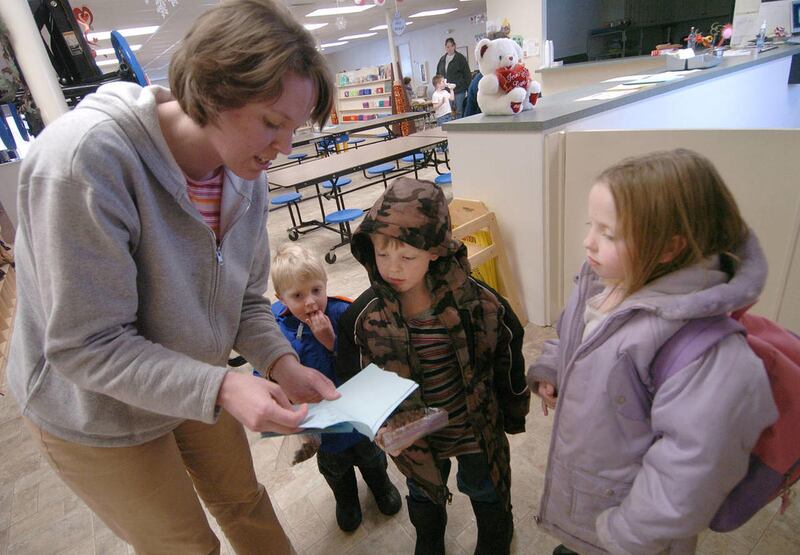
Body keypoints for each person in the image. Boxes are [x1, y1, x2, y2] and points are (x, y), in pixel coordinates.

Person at [7, 1, 340, 553]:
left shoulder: (244, 169)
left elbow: (245, 300)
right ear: (212, 93)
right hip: (95, 410)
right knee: (184, 545)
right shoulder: (84, 163)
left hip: (194, 379)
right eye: (273, 123)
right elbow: (84, 346)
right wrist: (222, 385)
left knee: (245, 503)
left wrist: (281, 362)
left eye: (293, 128)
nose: (284, 148)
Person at [527, 149, 778, 555]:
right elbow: (578, 335)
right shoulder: (604, 278)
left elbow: (690, 477)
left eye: (608, 233)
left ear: (667, 248)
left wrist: (621, 536)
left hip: (628, 534)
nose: (588, 241)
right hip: (592, 501)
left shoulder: (707, 356)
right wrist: (553, 365)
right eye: (592, 225)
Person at [337, 178, 530, 555]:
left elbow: (509, 355)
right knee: (423, 495)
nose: (394, 268)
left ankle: (495, 538)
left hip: (474, 427)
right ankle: (429, 538)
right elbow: (353, 379)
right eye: (382, 254)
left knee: (486, 490)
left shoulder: (480, 305)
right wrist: (374, 424)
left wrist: (512, 412)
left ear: (436, 251)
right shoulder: (362, 316)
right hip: (416, 440)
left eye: (408, 257)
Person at [267, 244, 402, 532]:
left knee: (372, 458)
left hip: (359, 417)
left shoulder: (344, 313)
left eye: (317, 290)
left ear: (326, 283)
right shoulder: (276, 330)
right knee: (335, 468)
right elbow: (266, 369)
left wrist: (332, 342)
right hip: (324, 427)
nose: (311, 302)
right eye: (298, 296)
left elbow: (370, 358)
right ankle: (346, 500)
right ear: (281, 298)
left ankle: (381, 485)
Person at [435, 37, 471, 119]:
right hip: (446, 91)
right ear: (445, 47)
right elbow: (438, 75)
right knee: (447, 111)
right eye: (447, 47)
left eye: (451, 46)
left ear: (454, 46)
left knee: (459, 111)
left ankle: (459, 129)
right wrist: (438, 88)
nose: (449, 48)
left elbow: (467, 74)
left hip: (459, 90)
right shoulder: (442, 60)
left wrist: (469, 89)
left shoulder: (460, 58)